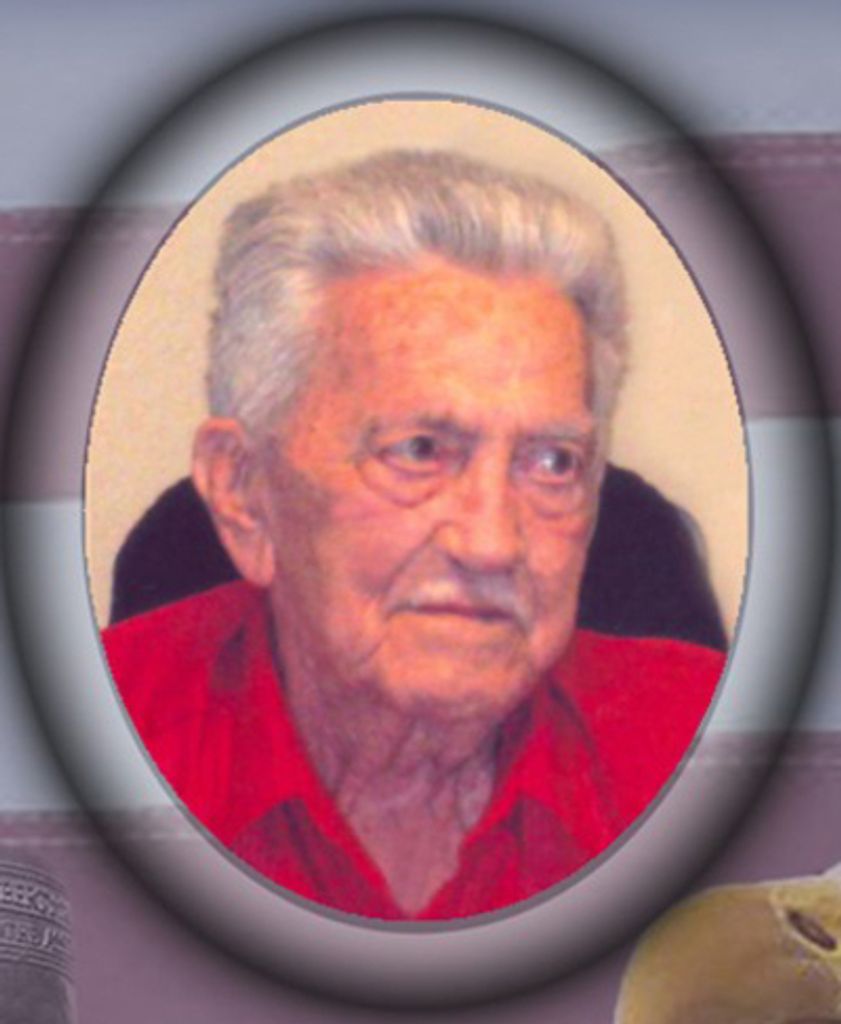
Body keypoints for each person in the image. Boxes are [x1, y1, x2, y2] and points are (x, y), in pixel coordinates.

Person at [102, 150, 724, 920]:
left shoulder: (710, 745)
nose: (492, 544)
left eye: (551, 463)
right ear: (244, 492)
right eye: (419, 451)